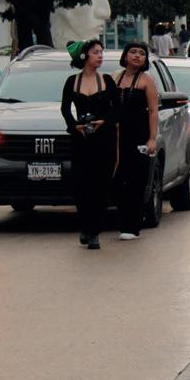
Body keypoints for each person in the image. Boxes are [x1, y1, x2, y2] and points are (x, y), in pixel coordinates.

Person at [61, 40, 118, 250]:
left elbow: (117, 108)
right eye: (96, 52)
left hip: (103, 139)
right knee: (80, 185)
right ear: (85, 56)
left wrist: (104, 121)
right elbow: (65, 108)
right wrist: (74, 125)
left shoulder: (107, 80)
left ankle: (94, 231)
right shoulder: (72, 81)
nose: (100, 55)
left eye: (101, 52)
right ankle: (85, 226)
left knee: (100, 185)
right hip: (81, 140)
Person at [111, 42, 159, 240]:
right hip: (117, 138)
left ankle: (132, 226)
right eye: (133, 52)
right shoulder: (115, 77)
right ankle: (122, 220)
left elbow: (153, 111)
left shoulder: (147, 81)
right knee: (117, 180)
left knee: (136, 181)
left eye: (141, 53)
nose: (137, 56)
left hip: (138, 136)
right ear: (125, 56)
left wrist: (152, 139)